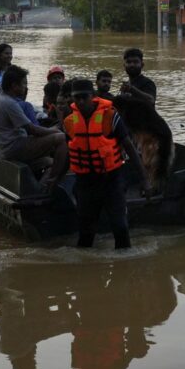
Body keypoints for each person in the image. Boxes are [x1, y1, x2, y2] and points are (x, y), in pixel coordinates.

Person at [63, 79, 151, 249]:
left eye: (84, 97)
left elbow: (130, 149)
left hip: (111, 181)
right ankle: (86, 269)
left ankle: (124, 268)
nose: (80, 101)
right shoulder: (70, 122)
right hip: (85, 183)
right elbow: (70, 152)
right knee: (85, 234)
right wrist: (53, 179)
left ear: (93, 96)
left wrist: (145, 180)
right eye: (76, 98)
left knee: (120, 228)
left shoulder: (110, 116)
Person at [0, 65, 68, 190]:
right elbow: (33, 130)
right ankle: (51, 182)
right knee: (62, 138)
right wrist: (53, 130)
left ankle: (40, 188)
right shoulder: (9, 103)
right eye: (24, 84)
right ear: (14, 86)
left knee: (51, 162)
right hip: (13, 149)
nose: (26, 87)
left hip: (4, 149)